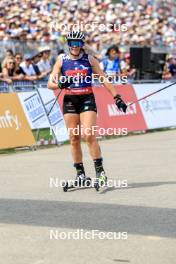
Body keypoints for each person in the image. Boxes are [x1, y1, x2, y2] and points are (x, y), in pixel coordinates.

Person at [48, 31, 127, 188]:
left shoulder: (89, 59)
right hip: (70, 100)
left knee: (89, 135)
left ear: (82, 44)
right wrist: (61, 84)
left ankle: (100, 172)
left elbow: (103, 79)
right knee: (73, 138)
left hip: (87, 99)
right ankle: (81, 174)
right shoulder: (61, 60)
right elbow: (50, 84)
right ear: (68, 44)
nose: (75, 46)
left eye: (78, 43)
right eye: (72, 43)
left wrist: (117, 97)